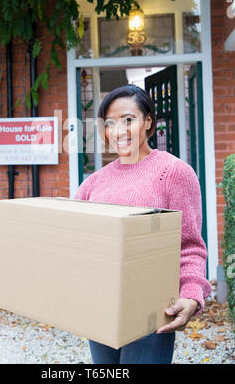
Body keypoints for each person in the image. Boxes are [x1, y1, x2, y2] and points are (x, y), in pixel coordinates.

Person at [74, 84, 211, 364]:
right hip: (100, 307)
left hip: (150, 311)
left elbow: (190, 247)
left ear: (148, 121)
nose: (118, 131)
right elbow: (73, 244)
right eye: (110, 123)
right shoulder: (93, 183)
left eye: (128, 120)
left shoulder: (173, 173)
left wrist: (192, 296)